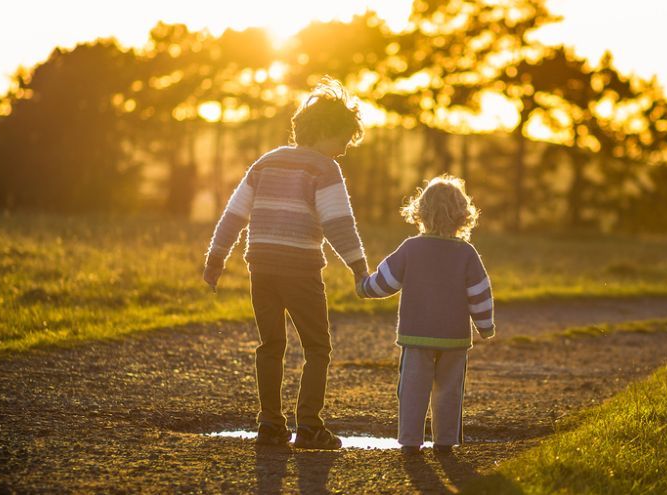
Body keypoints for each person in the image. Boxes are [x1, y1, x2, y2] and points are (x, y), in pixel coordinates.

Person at [203, 77, 368, 450]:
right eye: (342, 140)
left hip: (260, 268)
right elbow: (338, 223)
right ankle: (308, 426)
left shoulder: (266, 162)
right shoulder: (324, 169)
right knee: (317, 348)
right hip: (300, 270)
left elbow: (234, 214)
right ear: (326, 131)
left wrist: (216, 259)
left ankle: (270, 425)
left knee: (271, 344)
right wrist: (360, 268)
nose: (343, 150)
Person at [356, 175, 495, 455]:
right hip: (454, 339)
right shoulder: (466, 253)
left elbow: (386, 282)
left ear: (420, 212)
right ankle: (444, 441)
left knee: (412, 390)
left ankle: (410, 442)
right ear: (462, 215)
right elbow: (479, 293)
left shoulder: (411, 248)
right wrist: (485, 326)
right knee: (449, 391)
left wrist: (364, 287)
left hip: (416, 335)